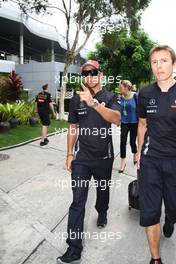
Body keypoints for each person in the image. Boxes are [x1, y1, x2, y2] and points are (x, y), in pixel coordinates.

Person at [56, 60, 121, 264]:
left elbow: (117, 118)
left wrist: (94, 103)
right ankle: (74, 248)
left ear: (100, 74)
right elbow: (73, 126)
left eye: (93, 72)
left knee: (102, 194)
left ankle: (102, 212)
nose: (89, 76)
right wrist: (69, 154)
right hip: (82, 160)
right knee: (77, 203)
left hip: (104, 158)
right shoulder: (76, 99)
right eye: (85, 73)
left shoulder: (110, 96)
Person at [137, 45, 176, 264]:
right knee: (150, 213)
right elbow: (142, 124)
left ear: (173, 64)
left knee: (173, 207)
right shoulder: (145, 93)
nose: (159, 66)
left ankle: (170, 217)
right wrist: (140, 154)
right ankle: (155, 259)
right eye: (154, 62)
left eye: (164, 60)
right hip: (151, 160)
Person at [118, 80, 138, 173]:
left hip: (134, 122)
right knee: (122, 141)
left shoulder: (135, 96)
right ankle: (123, 163)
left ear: (126, 87)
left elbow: (140, 109)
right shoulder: (121, 97)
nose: (119, 89)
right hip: (124, 122)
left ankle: (135, 153)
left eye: (120, 87)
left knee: (132, 142)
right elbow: (120, 110)